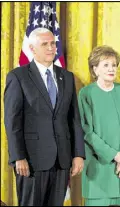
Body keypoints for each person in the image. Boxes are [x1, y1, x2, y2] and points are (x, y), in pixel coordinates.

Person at [4, 27, 85, 206]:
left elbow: (74, 119)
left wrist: (78, 154)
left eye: (53, 43)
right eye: (45, 44)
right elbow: (12, 120)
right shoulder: (18, 77)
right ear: (32, 49)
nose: (51, 48)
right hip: (31, 162)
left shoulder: (67, 77)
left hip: (62, 161)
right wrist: (18, 156)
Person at [78, 45, 120, 206]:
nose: (111, 69)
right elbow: (87, 131)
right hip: (98, 169)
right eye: (106, 65)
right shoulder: (86, 94)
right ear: (95, 69)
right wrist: (114, 155)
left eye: (114, 65)